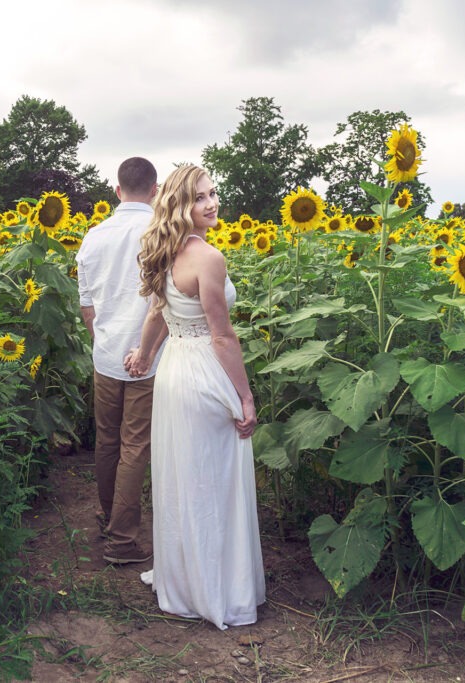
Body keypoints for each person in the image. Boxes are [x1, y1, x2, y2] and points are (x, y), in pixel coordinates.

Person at [124, 164, 265, 629]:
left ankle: (184, 581)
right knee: (215, 483)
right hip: (204, 369)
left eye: (213, 193)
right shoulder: (208, 257)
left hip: (173, 373)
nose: (212, 203)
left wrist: (144, 358)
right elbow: (223, 337)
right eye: (200, 198)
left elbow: (157, 316)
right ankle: (218, 588)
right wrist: (244, 397)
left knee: (184, 478)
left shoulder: (165, 249)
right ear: (179, 206)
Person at [76, 157, 164, 565]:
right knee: (135, 446)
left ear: (116, 190)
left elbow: (87, 307)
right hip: (151, 358)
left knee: (107, 441)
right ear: (155, 189)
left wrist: (106, 344)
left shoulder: (93, 237)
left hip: (107, 356)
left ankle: (107, 516)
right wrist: (142, 350)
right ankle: (123, 541)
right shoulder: (161, 233)